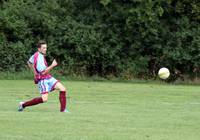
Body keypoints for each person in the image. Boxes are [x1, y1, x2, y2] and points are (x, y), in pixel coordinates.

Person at [18, 40, 68, 112]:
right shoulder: (39, 58)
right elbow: (43, 72)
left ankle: (63, 110)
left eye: (46, 48)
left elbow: (29, 62)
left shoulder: (36, 54)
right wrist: (52, 65)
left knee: (62, 88)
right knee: (44, 99)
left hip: (48, 77)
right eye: (44, 48)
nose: (45, 49)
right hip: (43, 80)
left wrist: (35, 73)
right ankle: (23, 105)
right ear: (39, 49)